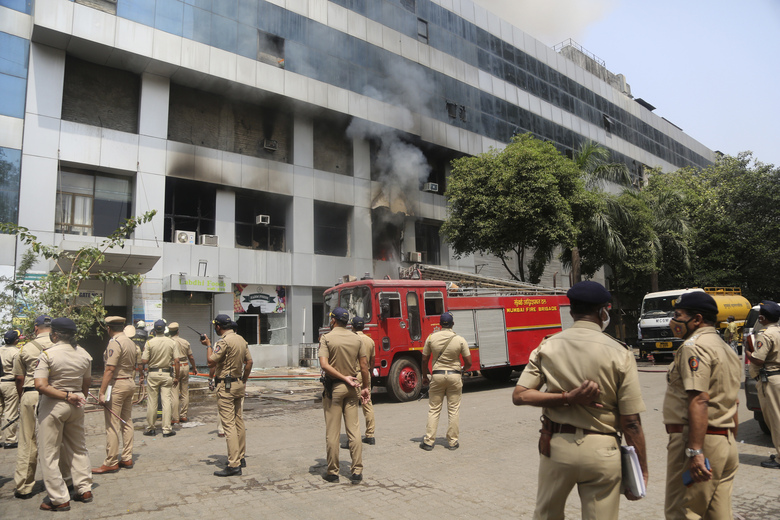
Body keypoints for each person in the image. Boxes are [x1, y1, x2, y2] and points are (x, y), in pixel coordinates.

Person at [512, 280, 648, 520]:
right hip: (603, 451)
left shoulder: (548, 346)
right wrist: (642, 470)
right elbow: (631, 422)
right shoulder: (621, 352)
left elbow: (520, 395)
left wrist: (567, 398)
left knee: (546, 515)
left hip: (558, 447)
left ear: (571, 311)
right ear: (603, 312)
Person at [663, 291, 741, 519]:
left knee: (682, 512)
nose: (674, 321)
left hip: (699, 443)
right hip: (725, 441)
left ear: (696, 319)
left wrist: (695, 451)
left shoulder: (694, 347)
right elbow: (734, 400)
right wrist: (729, 441)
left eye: (678, 315)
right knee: (718, 514)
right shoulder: (725, 348)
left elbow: (699, 399)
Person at [34, 317, 93, 511]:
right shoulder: (84, 354)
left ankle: (59, 499)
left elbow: (40, 385)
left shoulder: (48, 354)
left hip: (54, 404)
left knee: (49, 453)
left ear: (55, 334)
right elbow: (86, 384)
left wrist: (66, 396)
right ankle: (84, 489)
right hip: (77, 404)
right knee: (78, 448)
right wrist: (76, 397)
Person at [13, 316, 64, 499]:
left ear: (36, 328)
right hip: (55, 395)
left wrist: (23, 398)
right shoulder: (61, 346)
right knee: (58, 440)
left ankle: (24, 486)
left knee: (28, 441)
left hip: (30, 393)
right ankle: (64, 480)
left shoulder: (25, 348)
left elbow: (19, 378)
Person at [318, 307, 370, 483]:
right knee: (354, 430)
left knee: (333, 432)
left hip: (335, 389)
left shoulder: (327, 338)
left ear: (333, 320)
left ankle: (333, 472)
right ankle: (357, 471)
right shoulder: (357, 339)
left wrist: (342, 377)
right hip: (353, 387)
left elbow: (324, 365)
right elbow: (364, 366)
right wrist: (365, 387)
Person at [200, 314, 253, 477]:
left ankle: (234, 464)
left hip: (226, 386)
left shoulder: (223, 342)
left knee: (229, 425)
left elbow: (211, 362)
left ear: (218, 326)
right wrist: (244, 379)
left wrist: (208, 346)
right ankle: (241, 457)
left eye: (215, 326)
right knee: (238, 421)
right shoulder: (241, 339)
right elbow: (249, 362)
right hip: (238, 383)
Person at [419, 312, 472, 451]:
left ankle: (429, 441)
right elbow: (468, 362)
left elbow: (424, 359)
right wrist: (463, 369)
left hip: (437, 376)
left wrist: (425, 376)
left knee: (434, 409)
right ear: (452, 324)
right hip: (454, 376)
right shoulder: (460, 340)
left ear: (440, 324)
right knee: (453, 410)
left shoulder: (431, 338)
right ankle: (453, 442)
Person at [93, 316, 138, 474]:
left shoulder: (115, 342)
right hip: (129, 382)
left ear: (109, 328)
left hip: (117, 384)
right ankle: (127, 457)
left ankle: (111, 461)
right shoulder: (130, 342)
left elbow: (110, 369)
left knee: (112, 424)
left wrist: (102, 392)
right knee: (127, 421)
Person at [744, 300, 780, 469]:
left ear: (763, 318)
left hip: (771, 381)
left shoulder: (765, 335)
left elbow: (758, 359)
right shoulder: (778, 331)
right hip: (776, 378)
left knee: (775, 420)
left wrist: (747, 351)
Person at [141, 320, 179, 437]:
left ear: (154, 330)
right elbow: (177, 360)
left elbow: (144, 360)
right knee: (166, 401)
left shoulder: (149, 343)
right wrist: (177, 376)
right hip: (167, 374)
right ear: (164, 329)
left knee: (152, 401)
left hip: (153, 373)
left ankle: (151, 428)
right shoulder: (171, 342)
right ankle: (167, 429)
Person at [342, 316, 376, 446]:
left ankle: (352, 438)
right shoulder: (370, 341)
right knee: (367, 403)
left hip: (354, 374)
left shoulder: (350, 339)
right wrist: (369, 373)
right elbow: (372, 360)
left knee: (352, 405)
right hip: (366, 373)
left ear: (352, 326)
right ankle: (370, 435)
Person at [169, 322, 197, 423]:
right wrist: (194, 367)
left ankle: (175, 417)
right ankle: (183, 415)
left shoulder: (169, 342)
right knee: (185, 392)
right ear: (178, 331)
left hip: (174, 366)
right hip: (185, 366)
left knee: (174, 393)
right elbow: (191, 357)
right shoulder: (185, 342)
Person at [1, 329, 21, 448]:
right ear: (16, 340)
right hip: (9, 383)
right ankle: (10, 440)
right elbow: (18, 373)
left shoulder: (0, 349)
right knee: (10, 411)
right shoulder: (16, 352)